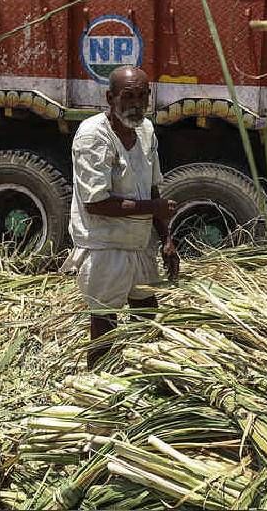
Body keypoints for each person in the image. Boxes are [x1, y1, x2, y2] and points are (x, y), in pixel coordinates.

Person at [62, 65, 180, 368]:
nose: (136, 105)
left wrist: (166, 237)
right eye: (128, 97)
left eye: (143, 96)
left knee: (147, 315)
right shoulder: (93, 137)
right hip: (105, 247)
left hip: (139, 243)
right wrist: (154, 210)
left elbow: (153, 188)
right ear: (110, 98)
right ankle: (99, 385)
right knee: (105, 324)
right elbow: (96, 203)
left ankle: (146, 375)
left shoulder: (146, 130)